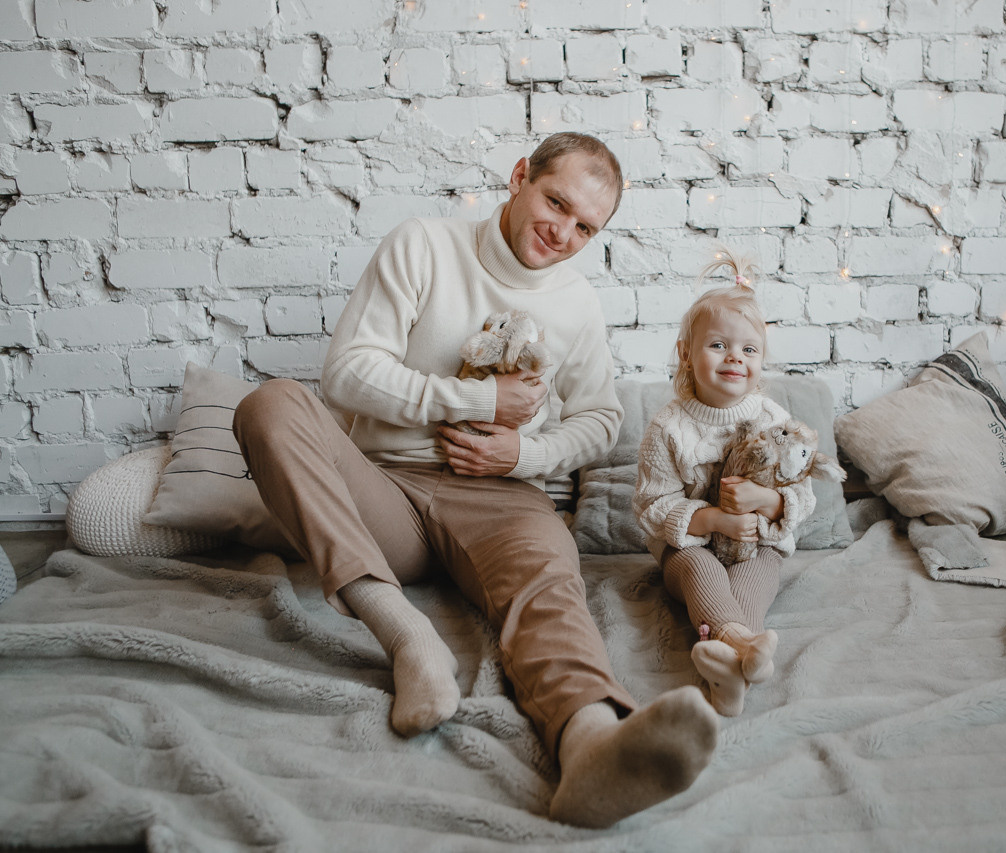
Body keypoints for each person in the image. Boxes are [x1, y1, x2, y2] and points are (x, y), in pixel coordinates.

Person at [231, 133, 718, 828]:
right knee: (268, 405)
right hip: (384, 488)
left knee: (549, 585)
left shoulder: (576, 303)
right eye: (556, 202)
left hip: (504, 500)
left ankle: (589, 741)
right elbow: (347, 372)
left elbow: (602, 419)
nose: (563, 231)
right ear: (519, 176)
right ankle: (405, 634)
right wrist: (482, 403)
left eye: (586, 226)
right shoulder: (423, 245)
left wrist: (520, 452)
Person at [633, 251, 819, 717]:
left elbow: (804, 492)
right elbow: (652, 504)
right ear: (686, 354)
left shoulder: (773, 418)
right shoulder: (669, 427)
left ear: (759, 360)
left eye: (748, 349)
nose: (735, 357)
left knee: (754, 579)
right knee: (702, 572)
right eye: (718, 345)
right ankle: (741, 644)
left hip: (756, 546)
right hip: (687, 550)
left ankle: (730, 672)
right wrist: (712, 519)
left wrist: (768, 501)